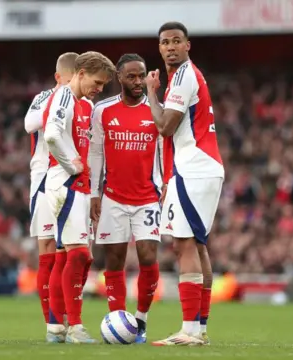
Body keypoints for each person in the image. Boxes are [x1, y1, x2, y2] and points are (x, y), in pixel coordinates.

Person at [145, 21, 224, 346]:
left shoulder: (183, 77)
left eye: (177, 41)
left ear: (187, 45)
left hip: (194, 168)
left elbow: (165, 126)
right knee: (197, 246)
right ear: (160, 47)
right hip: (198, 168)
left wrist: (151, 91)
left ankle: (190, 329)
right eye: (165, 42)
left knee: (184, 245)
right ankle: (199, 328)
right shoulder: (186, 76)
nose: (171, 47)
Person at [42, 51, 116, 344]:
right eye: (97, 81)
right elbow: (51, 134)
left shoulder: (85, 104)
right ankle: (74, 326)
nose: (99, 88)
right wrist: (71, 162)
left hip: (80, 186)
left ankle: (55, 327)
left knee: (65, 256)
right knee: (79, 254)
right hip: (67, 183)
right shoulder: (64, 97)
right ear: (81, 72)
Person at [89, 53, 163, 344]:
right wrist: (95, 192)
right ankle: (118, 320)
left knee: (147, 257)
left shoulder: (157, 110)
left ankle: (141, 321)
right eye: (131, 76)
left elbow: (165, 151)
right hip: (112, 197)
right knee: (115, 260)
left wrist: (165, 184)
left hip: (147, 197)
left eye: (141, 75)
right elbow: (95, 152)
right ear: (119, 77)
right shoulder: (102, 110)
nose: (137, 82)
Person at [24, 52, 79, 343]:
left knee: (73, 251)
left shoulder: (85, 101)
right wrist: (58, 98)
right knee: (48, 250)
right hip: (44, 179)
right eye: (71, 80)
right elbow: (29, 124)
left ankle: (70, 317)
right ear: (59, 78)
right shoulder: (45, 97)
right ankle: (53, 324)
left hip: (74, 180)